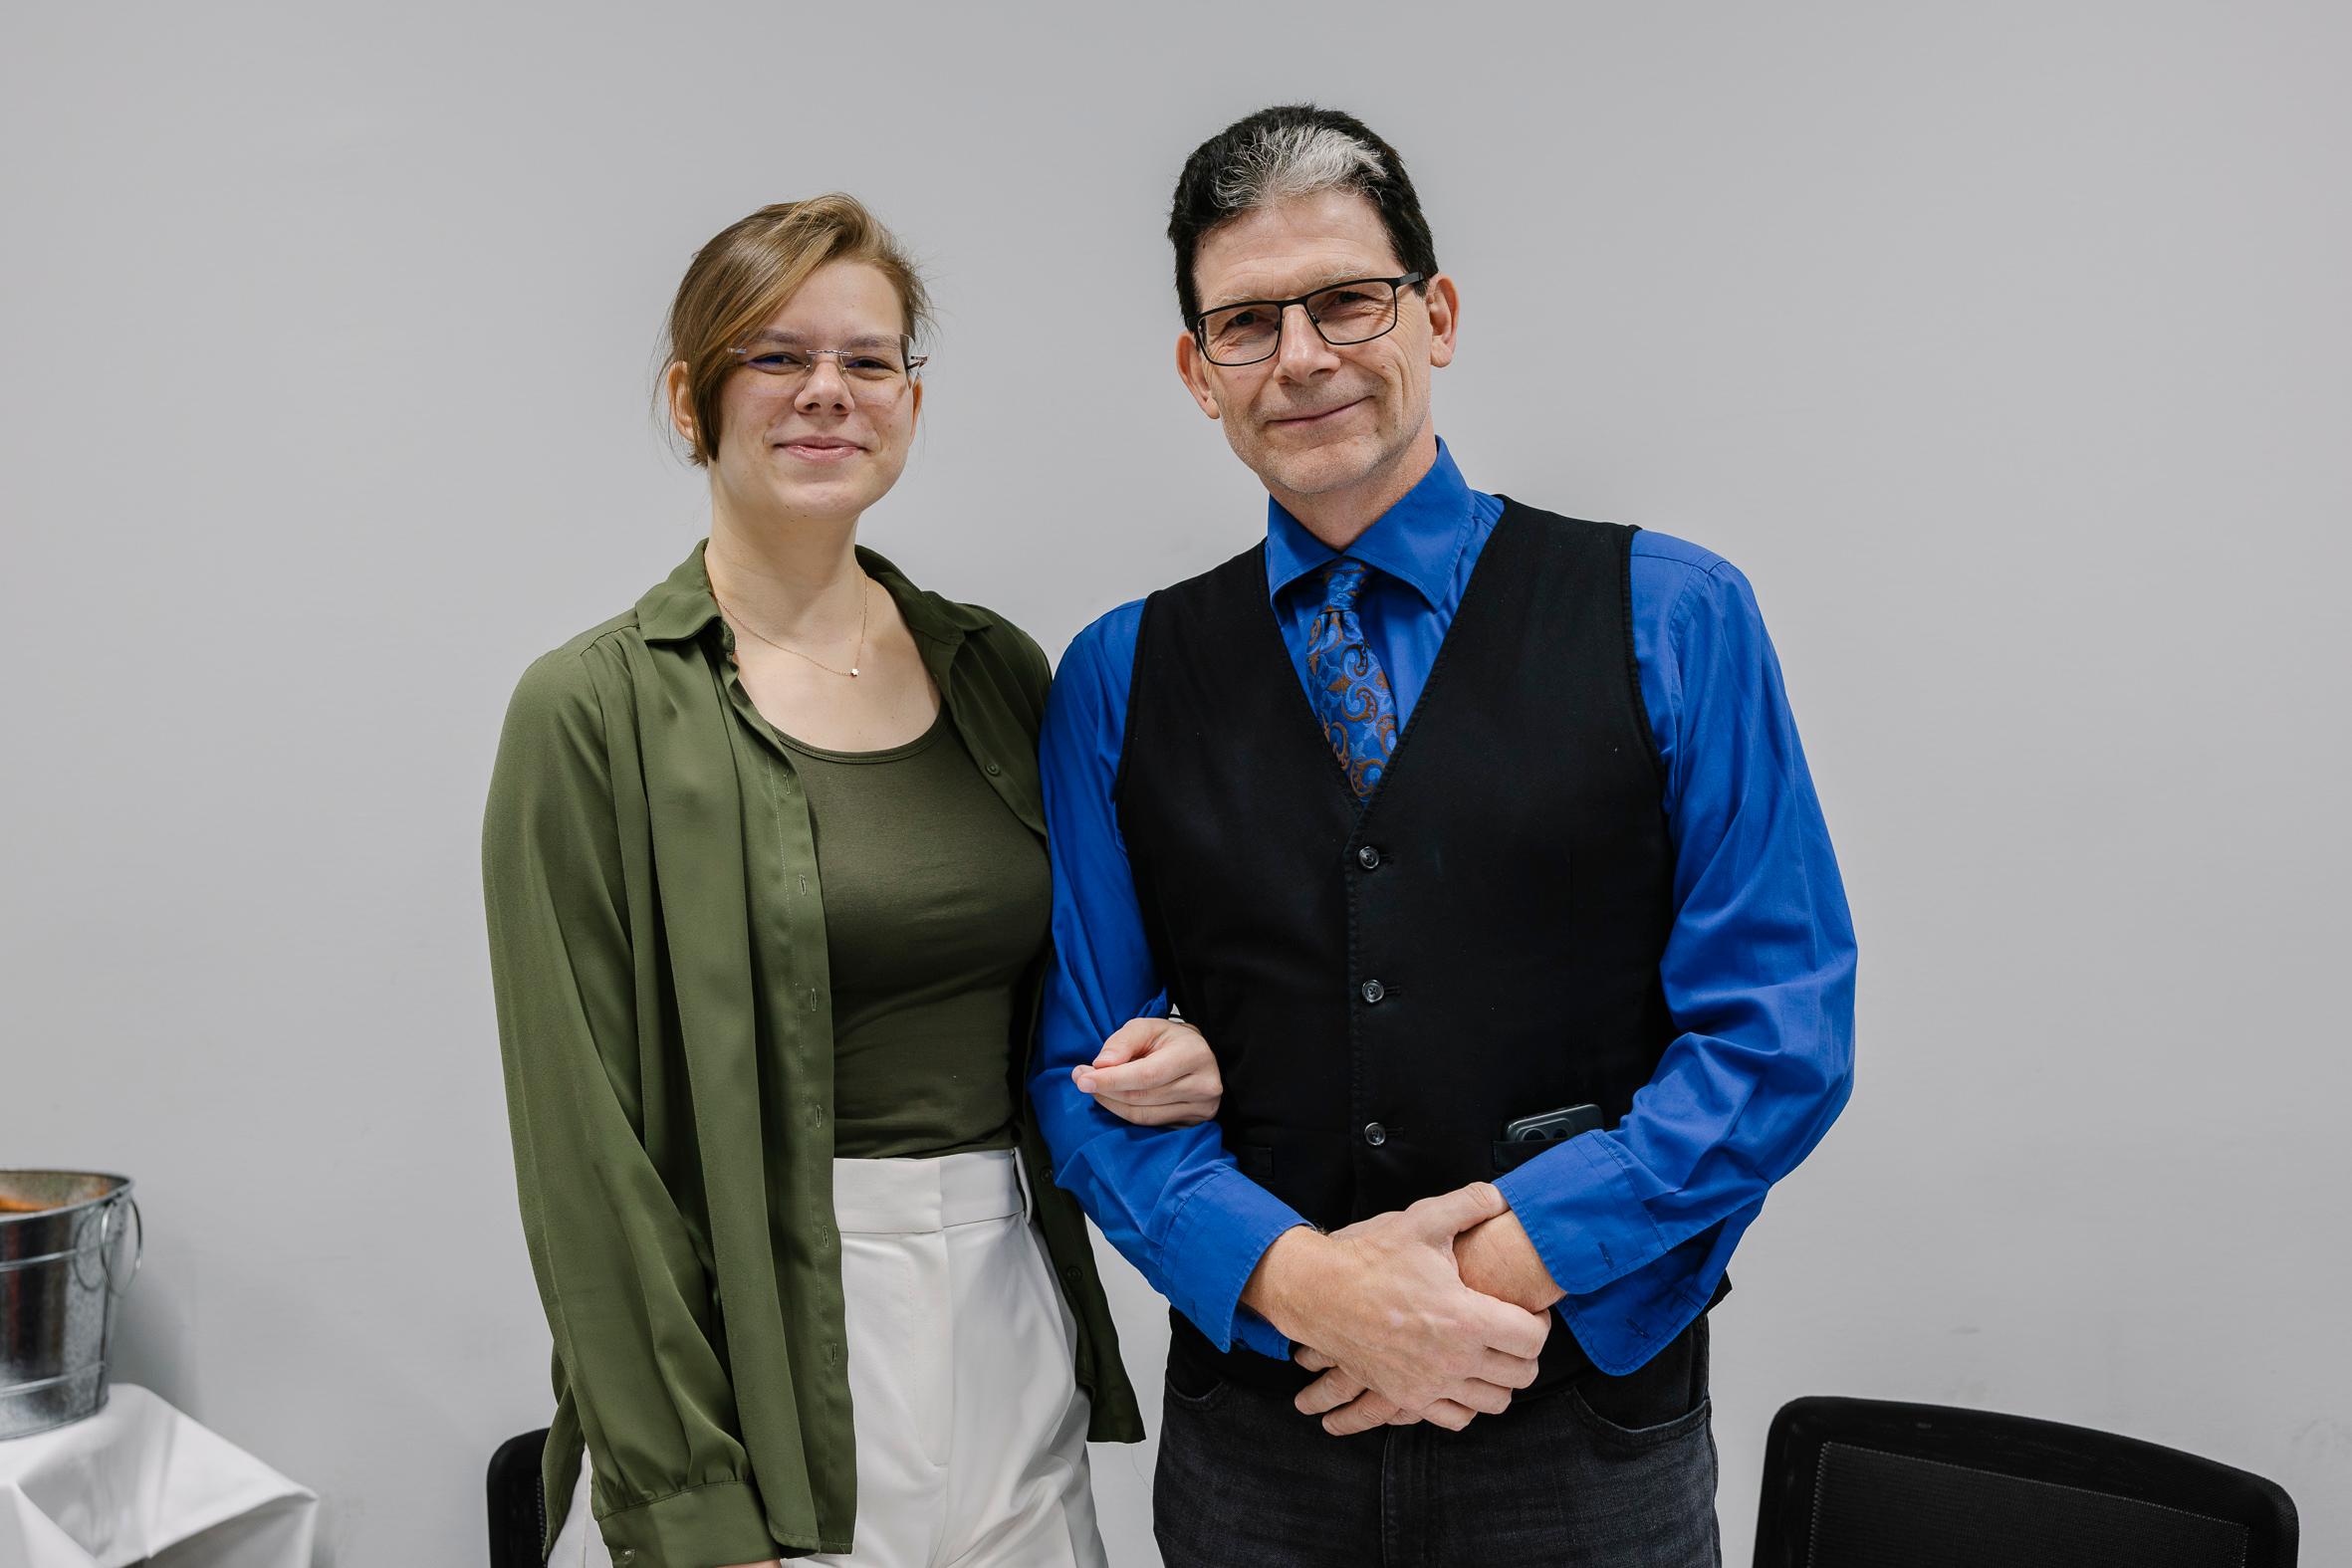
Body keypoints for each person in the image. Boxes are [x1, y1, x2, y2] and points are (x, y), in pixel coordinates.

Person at [1034, 106, 1859, 1565]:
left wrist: (1480, 1273)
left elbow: (1776, 1034)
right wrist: (1303, 1286)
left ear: (1437, 314)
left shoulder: (1671, 614)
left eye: (1345, 299)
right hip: (1255, 1445)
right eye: (1243, 323)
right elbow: (1080, 1073)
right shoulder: (1117, 674)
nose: (1300, 356)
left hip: (1582, 1428)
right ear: (1196, 371)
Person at [483, 194, 1217, 1568]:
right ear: (689, 400)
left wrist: (1172, 1041)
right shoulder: (590, 712)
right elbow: (589, 1165)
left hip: (1009, 1310)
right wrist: (689, 1506)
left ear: (909, 404)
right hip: (758, 1356)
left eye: (868, 360)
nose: (827, 391)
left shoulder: (998, 671)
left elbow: (1086, 988)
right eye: (775, 355)